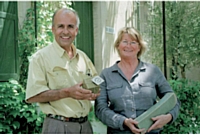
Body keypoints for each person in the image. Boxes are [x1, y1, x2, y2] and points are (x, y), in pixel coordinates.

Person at [25, 8, 100, 134]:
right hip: (58, 126)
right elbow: (33, 96)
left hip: (85, 127)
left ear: (76, 31)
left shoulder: (83, 57)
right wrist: (67, 92)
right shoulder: (40, 58)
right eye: (61, 26)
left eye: (70, 26)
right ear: (53, 29)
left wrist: (96, 91)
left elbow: (96, 80)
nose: (65, 32)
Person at [95, 27, 180, 134]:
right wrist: (123, 121)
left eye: (133, 42)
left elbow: (173, 100)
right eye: (125, 41)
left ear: (139, 47)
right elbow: (100, 109)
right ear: (118, 46)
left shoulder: (153, 71)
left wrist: (169, 117)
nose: (128, 46)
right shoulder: (106, 75)